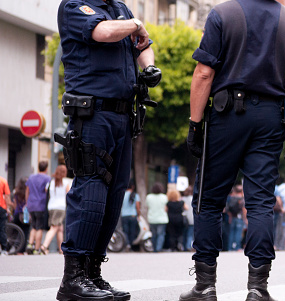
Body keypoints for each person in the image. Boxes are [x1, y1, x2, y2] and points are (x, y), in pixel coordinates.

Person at [181, 0, 285, 300]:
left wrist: (195, 123)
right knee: (260, 203)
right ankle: (258, 287)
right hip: (270, 119)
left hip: (227, 115)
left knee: (209, 199)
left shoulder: (222, 14)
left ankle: (205, 285)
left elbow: (204, 73)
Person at [56, 0, 161, 300]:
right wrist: (137, 24)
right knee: (91, 192)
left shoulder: (121, 8)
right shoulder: (76, 6)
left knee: (114, 198)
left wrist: (149, 66)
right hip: (93, 115)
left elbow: (142, 46)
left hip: (123, 116)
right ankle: (73, 278)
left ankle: (93, 274)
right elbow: (103, 32)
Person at [41, 165, 72, 254]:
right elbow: (69, 194)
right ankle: (44, 246)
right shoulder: (66, 182)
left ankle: (61, 249)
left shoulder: (51, 182)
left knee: (60, 229)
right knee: (54, 227)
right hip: (60, 207)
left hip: (51, 207)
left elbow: (46, 191)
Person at [25, 161, 51, 255]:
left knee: (33, 225)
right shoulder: (47, 178)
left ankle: (30, 244)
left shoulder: (31, 177)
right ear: (46, 168)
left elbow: (27, 191)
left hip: (31, 204)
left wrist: (27, 202)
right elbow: (47, 191)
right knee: (39, 227)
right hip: (41, 204)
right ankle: (36, 248)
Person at [147, 183, 169, 252]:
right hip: (162, 219)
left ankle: (154, 249)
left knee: (154, 234)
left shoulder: (149, 197)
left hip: (152, 218)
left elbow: (148, 206)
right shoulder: (164, 197)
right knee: (161, 234)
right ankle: (158, 248)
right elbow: (166, 208)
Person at [121, 181, 141, 251]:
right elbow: (137, 207)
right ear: (132, 187)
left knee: (125, 231)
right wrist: (139, 214)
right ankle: (132, 246)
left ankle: (127, 244)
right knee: (132, 231)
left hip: (124, 215)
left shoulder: (123, 194)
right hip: (133, 215)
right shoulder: (135, 195)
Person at [11, 178, 29, 253]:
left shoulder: (16, 192)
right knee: (25, 232)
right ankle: (21, 250)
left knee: (14, 232)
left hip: (17, 214)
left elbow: (15, 205)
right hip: (25, 215)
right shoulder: (28, 192)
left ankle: (11, 246)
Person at [227, 185, 246, 251]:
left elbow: (228, 209)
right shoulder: (241, 199)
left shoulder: (231, 198)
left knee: (231, 233)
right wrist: (245, 219)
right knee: (238, 233)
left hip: (232, 217)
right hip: (239, 217)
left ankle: (230, 247)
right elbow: (244, 209)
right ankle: (237, 247)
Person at [0, 175, 12, 255]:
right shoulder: (3, 181)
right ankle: (4, 249)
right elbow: (7, 196)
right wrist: (8, 208)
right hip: (1, 207)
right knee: (2, 228)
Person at [182, 186, 195, 251]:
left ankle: (184, 246)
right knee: (190, 234)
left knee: (184, 233)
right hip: (192, 218)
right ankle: (188, 246)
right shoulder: (193, 199)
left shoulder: (182, 199)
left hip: (184, 218)